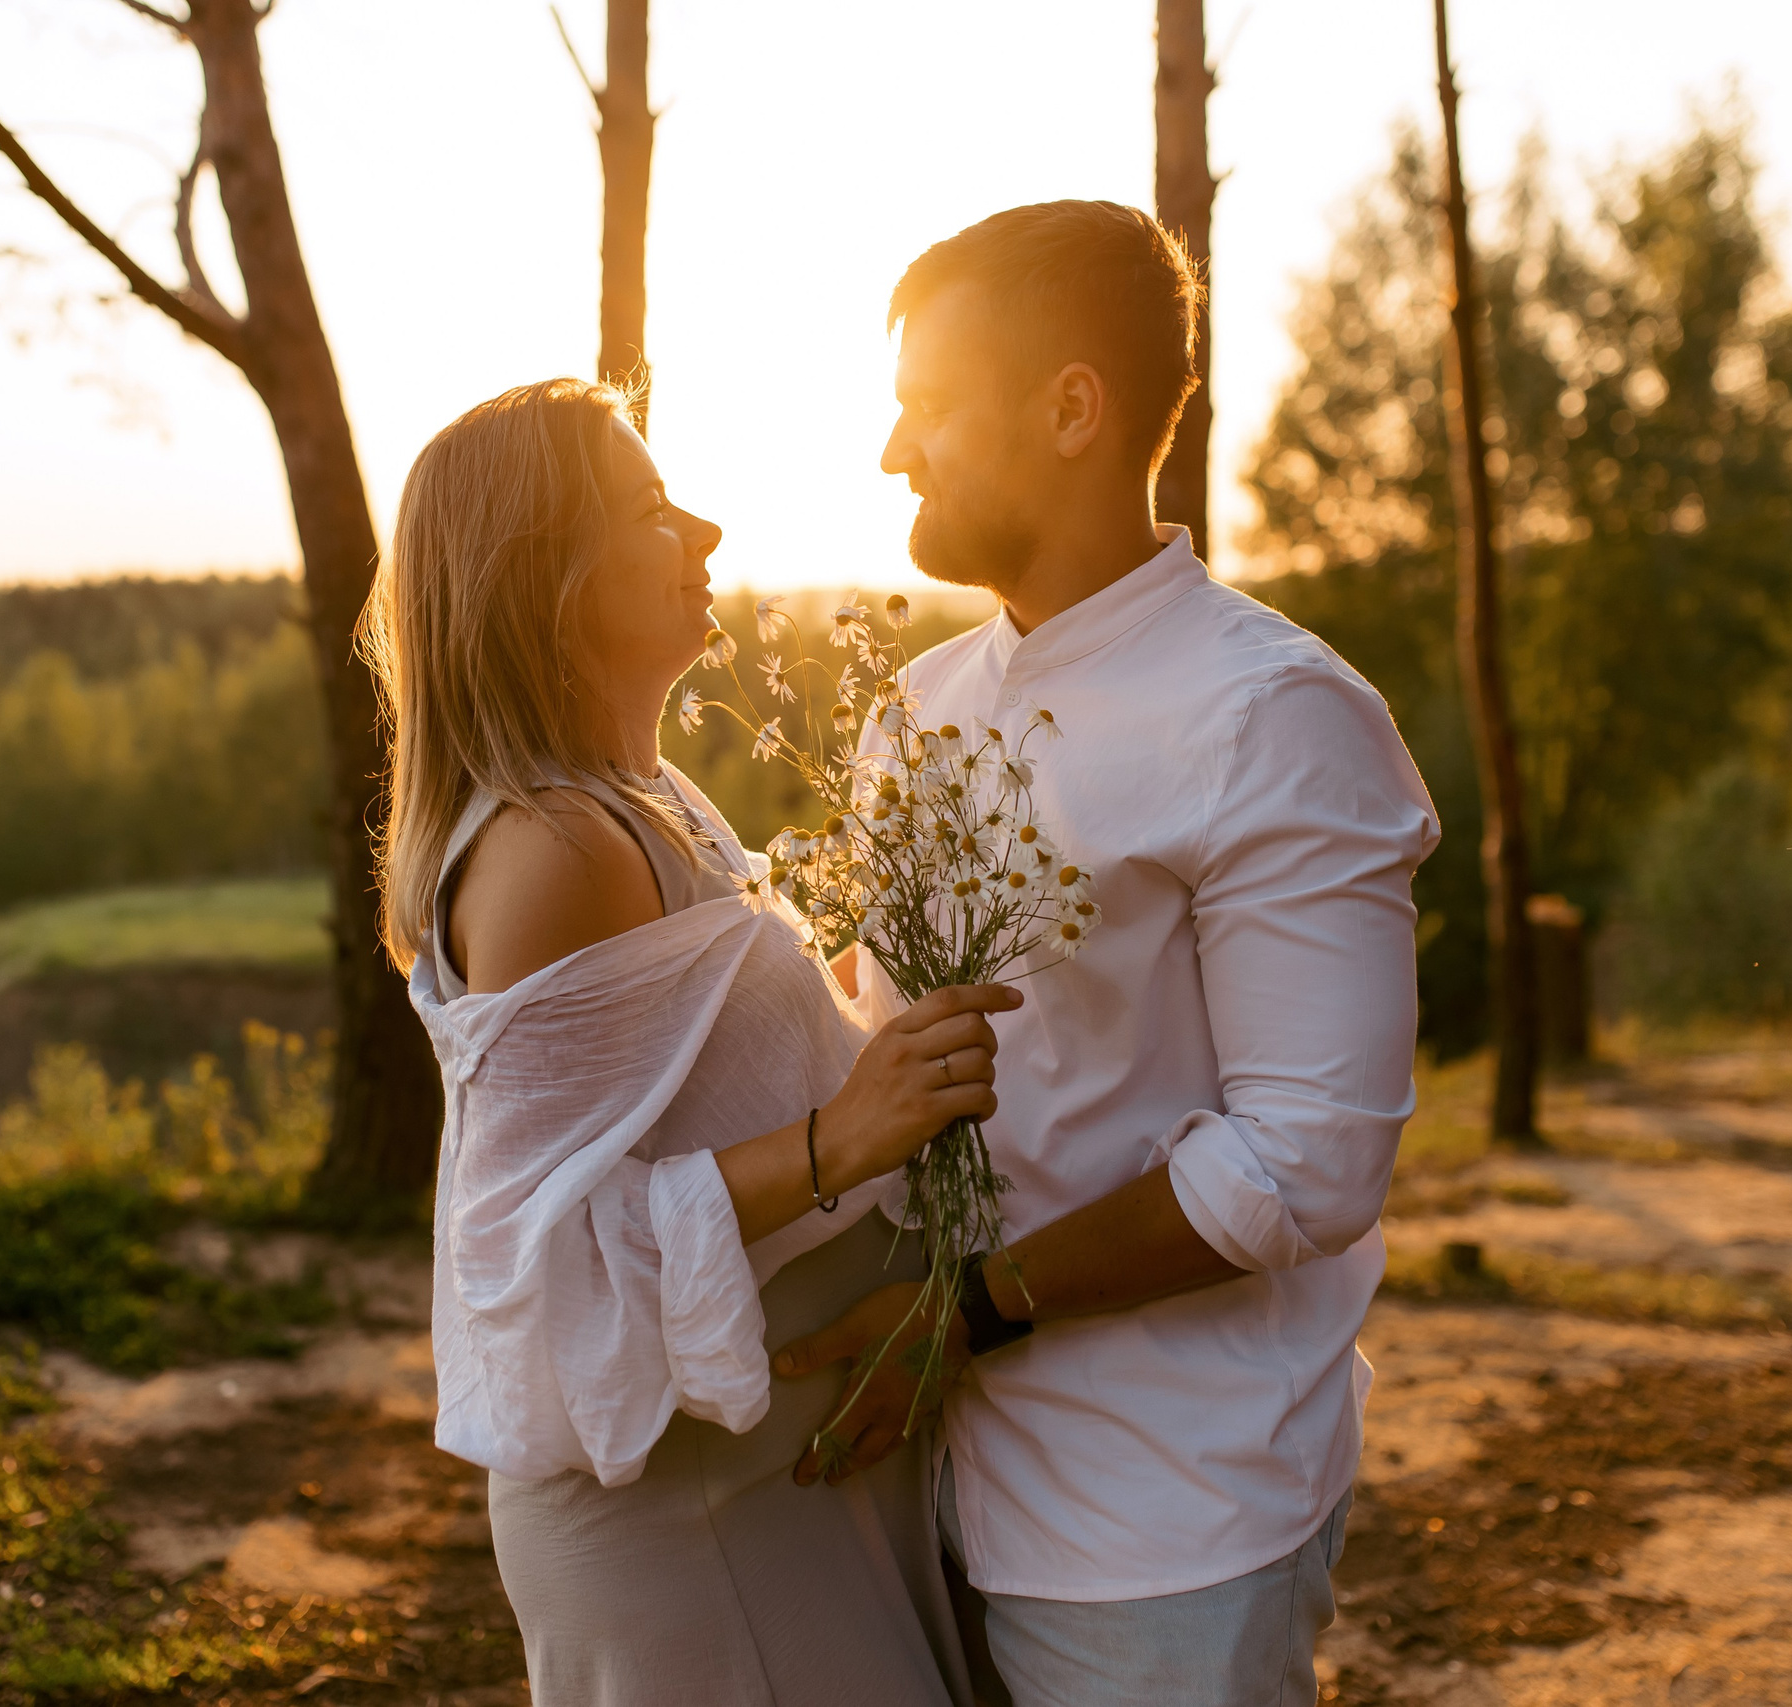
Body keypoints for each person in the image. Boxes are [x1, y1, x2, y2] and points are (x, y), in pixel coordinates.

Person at [776, 201, 1441, 1706]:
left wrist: (967, 1315)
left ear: (1073, 407)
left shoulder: (1274, 717)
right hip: (910, 1491)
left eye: (931, 407)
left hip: (1166, 1521)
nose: (895, 452)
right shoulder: (914, 714)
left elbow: (1307, 1163)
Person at [369, 376, 1017, 1707]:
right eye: (656, 508)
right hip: (690, 1517)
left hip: (766, 1482)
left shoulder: (646, 802)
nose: (708, 532)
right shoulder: (555, 854)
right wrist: (844, 1135)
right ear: (543, 575)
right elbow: (542, 1254)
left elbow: (676, 1088)